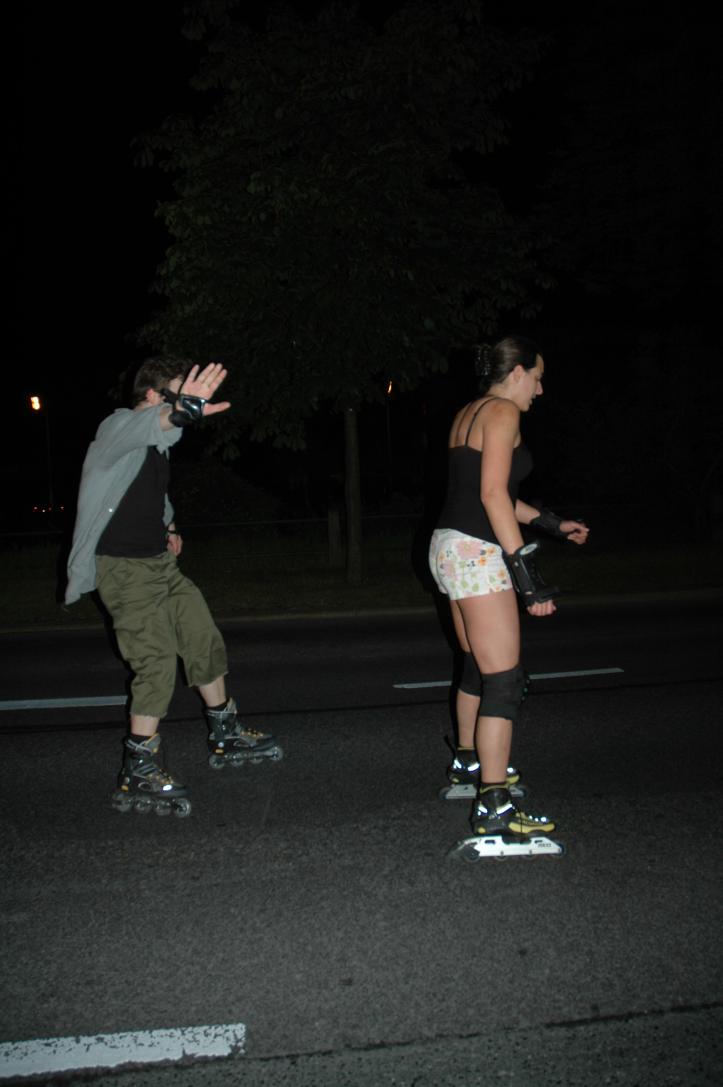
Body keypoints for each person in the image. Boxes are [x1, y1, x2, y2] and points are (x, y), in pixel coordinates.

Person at [65, 357, 282, 817]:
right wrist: (183, 410)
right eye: (178, 393)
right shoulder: (116, 428)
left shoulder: (155, 448)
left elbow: (154, 493)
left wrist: (169, 524)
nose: (185, 403)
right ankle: (138, 767)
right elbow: (158, 423)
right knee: (156, 659)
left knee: (201, 635)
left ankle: (225, 732)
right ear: (152, 394)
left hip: (159, 565)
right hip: (123, 571)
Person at [428, 336, 589, 850]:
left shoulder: (470, 412)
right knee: (504, 680)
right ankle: (494, 806)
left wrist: (553, 524)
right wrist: (528, 579)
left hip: (449, 545)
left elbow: (493, 495)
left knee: (477, 666)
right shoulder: (503, 412)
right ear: (516, 372)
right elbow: (493, 495)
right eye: (537, 378)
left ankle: (468, 763)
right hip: (476, 552)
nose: (539, 390)